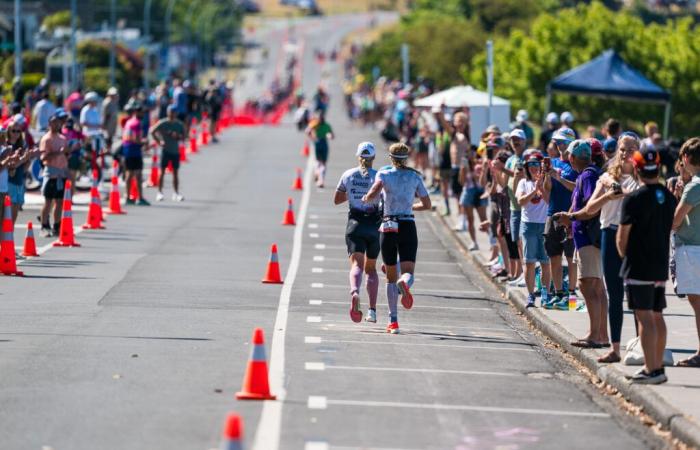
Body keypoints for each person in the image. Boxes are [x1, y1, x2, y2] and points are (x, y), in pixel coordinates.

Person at [576, 135, 640, 363]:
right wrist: (607, 195)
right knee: (614, 293)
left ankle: (641, 344)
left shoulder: (640, 179)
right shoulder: (606, 177)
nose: (626, 153)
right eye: (623, 148)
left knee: (635, 293)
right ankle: (615, 348)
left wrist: (624, 193)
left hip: (633, 236)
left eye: (631, 148)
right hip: (609, 233)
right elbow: (590, 208)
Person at [618, 148, 676, 384]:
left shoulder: (634, 198)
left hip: (639, 265)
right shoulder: (668, 196)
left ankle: (651, 369)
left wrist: (626, 259)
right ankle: (657, 367)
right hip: (659, 264)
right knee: (656, 314)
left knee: (644, 318)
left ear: (637, 168)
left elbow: (622, 238)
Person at [362, 143, 432, 334]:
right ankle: (406, 282)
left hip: (388, 225)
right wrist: (411, 207)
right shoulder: (414, 176)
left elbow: (375, 190)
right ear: (406, 158)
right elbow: (427, 204)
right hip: (407, 224)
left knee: (390, 276)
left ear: (391, 158)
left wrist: (367, 198)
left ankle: (393, 321)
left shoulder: (384, 175)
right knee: (408, 270)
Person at [555, 140, 609, 348]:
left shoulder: (587, 175)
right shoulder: (590, 173)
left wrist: (571, 218)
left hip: (588, 237)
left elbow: (591, 207)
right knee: (595, 285)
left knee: (588, 284)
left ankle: (595, 335)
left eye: (569, 155)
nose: (568, 158)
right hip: (587, 237)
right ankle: (600, 334)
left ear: (574, 157)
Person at [334, 142, 382, 323]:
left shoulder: (348, 174)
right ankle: (372, 311)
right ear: (374, 158)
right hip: (374, 224)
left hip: (355, 223)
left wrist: (353, 193)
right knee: (371, 269)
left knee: (356, 265)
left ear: (358, 156)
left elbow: (337, 199)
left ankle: (354, 291)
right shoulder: (379, 176)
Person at [671, 137, 700, 368]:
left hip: (692, 249)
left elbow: (675, 221)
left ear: (687, 159)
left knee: (697, 302)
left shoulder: (695, 185)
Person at [542, 129, 579, 310]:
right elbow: (547, 189)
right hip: (553, 213)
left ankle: (571, 298)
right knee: (554, 257)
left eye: (563, 142)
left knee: (571, 259)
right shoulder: (554, 162)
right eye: (557, 142)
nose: (560, 145)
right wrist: (547, 176)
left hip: (571, 216)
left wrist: (559, 177)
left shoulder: (577, 165)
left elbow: (578, 189)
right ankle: (558, 294)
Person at [516, 152, 551, 307]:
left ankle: (545, 293)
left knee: (545, 262)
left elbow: (550, 201)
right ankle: (530, 295)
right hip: (529, 225)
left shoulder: (547, 182)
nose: (533, 168)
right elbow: (521, 202)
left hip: (544, 225)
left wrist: (541, 188)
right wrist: (534, 190)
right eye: (530, 165)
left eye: (536, 164)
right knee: (529, 262)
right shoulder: (523, 183)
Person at [39, 112, 71, 237]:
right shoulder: (46, 139)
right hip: (51, 172)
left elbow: (65, 155)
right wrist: (58, 153)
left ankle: (57, 225)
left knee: (59, 201)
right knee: (48, 201)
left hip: (61, 172)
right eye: (53, 123)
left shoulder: (62, 139)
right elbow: (43, 157)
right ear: (49, 124)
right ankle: (44, 225)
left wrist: (67, 152)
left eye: (57, 123)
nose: (56, 125)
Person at [151, 105, 186, 202]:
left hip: (175, 151)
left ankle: (176, 193)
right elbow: (152, 131)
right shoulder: (163, 123)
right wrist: (159, 142)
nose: (172, 114)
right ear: (168, 112)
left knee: (175, 173)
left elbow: (184, 136)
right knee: (162, 172)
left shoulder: (179, 124)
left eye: (174, 112)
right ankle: (159, 193)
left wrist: (178, 136)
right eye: (171, 112)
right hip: (165, 151)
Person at [6, 120, 38, 225]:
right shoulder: (6, 146)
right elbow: (10, 166)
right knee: (6, 216)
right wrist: (24, 159)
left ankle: (9, 239)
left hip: (19, 182)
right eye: (13, 131)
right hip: (8, 183)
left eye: (18, 131)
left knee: (14, 216)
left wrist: (28, 160)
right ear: (8, 132)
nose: (16, 134)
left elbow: (24, 168)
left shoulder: (22, 145)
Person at [122, 102, 150, 206]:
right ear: (137, 112)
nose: (143, 115)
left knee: (129, 174)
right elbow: (137, 140)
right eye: (142, 113)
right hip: (134, 151)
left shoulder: (129, 122)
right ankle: (140, 198)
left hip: (127, 150)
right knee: (138, 175)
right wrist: (145, 142)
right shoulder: (137, 123)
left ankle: (128, 196)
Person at [305, 112, 334, 188]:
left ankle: (317, 173)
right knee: (322, 163)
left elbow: (307, 131)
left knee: (319, 162)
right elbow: (331, 135)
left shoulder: (316, 124)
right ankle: (320, 180)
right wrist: (329, 136)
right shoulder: (322, 125)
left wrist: (312, 137)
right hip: (322, 143)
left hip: (319, 142)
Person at [102, 87, 120, 152]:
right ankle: (107, 148)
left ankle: (109, 148)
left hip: (113, 121)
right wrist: (104, 123)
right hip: (108, 121)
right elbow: (105, 114)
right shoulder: (107, 102)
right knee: (107, 136)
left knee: (111, 136)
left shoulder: (114, 101)